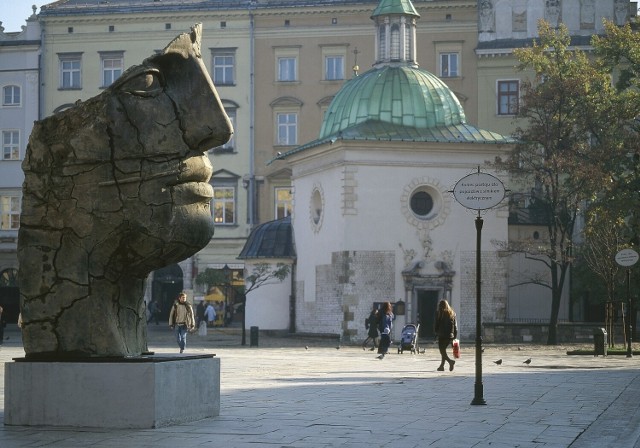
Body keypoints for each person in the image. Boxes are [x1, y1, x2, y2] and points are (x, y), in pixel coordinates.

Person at [434, 299, 458, 372]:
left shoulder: (439, 313)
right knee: (443, 350)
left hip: (442, 335)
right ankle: (442, 366)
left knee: (442, 351)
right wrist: (454, 337)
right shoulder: (452, 313)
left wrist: (435, 332)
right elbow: (455, 327)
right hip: (450, 335)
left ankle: (450, 362)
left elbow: (436, 324)